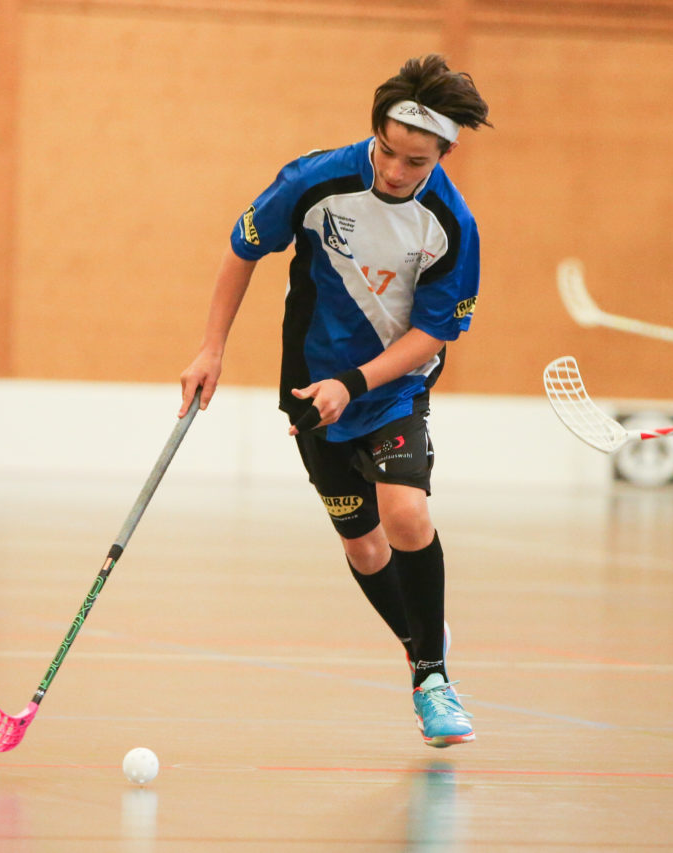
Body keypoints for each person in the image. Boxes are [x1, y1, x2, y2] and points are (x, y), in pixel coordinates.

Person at [179, 55, 491, 748]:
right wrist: (211, 349)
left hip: (392, 388)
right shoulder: (315, 180)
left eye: (416, 161)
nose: (396, 171)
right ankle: (421, 638)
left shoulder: (450, 223)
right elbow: (243, 249)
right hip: (309, 388)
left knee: (405, 514)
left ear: (443, 155)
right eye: (387, 150)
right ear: (374, 131)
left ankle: (432, 680)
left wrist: (354, 383)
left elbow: (434, 332)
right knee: (364, 546)